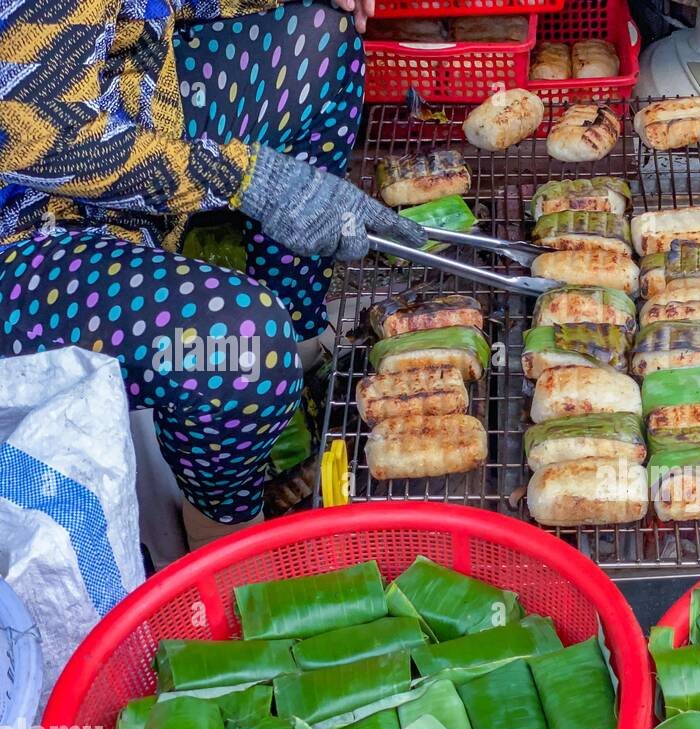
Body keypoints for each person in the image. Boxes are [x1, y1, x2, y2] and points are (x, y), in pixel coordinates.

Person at [0, 0, 423, 547]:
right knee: (240, 345)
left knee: (320, 40)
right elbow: (33, 136)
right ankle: (221, 529)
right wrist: (246, 177)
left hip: (124, 111)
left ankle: (297, 359)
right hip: (21, 239)